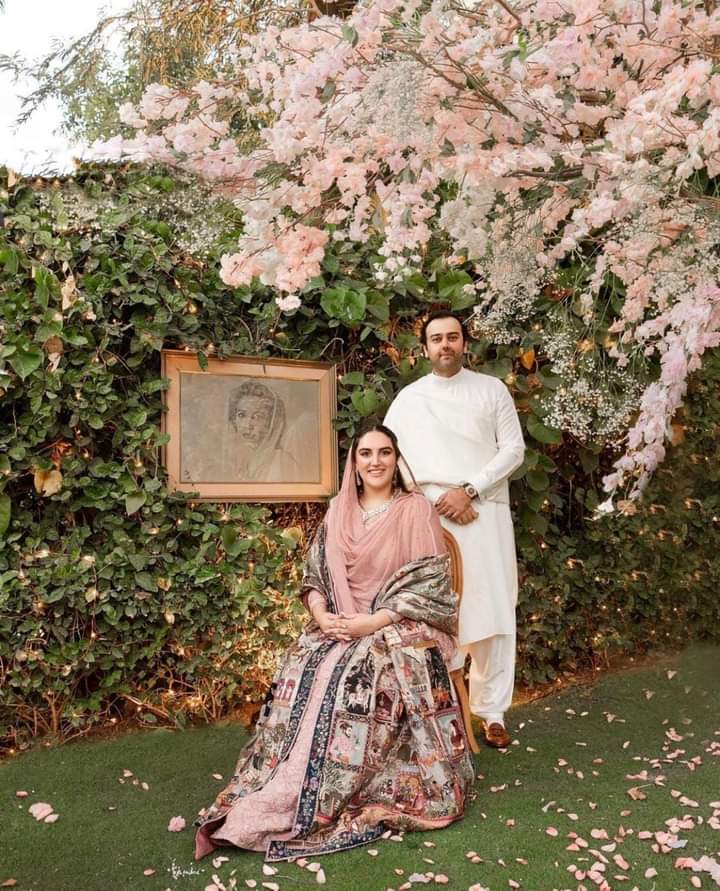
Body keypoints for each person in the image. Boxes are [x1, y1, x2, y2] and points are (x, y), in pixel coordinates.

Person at [195, 424, 474, 862]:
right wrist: (324, 617)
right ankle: (278, 784)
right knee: (306, 661)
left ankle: (323, 799)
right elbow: (314, 579)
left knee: (354, 673)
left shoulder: (415, 509)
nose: (376, 461)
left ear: (396, 459)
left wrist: (369, 624)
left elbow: (427, 586)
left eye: (384, 452)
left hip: (398, 624)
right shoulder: (338, 510)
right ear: (354, 463)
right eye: (366, 453)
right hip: (339, 623)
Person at [384, 311, 525, 749]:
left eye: (452, 337)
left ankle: (492, 711)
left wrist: (470, 490)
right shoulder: (408, 399)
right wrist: (426, 504)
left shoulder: (492, 389)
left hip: (484, 509)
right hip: (430, 516)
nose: (445, 345)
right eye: (436, 339)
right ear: (424, 349)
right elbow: (393, 458)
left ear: (465, 343)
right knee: (443, 608)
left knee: (495, 604)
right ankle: (444, 709)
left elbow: (513, 450)